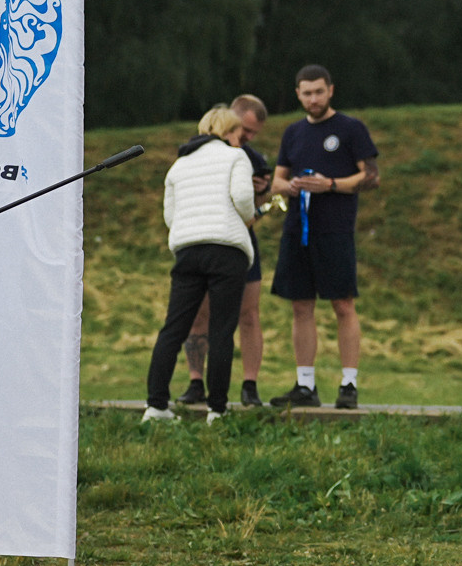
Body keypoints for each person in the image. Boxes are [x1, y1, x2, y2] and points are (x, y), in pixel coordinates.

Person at [268, 65, 378, 410]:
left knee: (343, 304)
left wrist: (330, 185)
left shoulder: (350, 128)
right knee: (301, 305)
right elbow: (277, 181)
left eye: (318, 91)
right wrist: (293, 186)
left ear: (331, 90)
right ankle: (305, 385)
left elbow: (371, 176)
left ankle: (349, 384)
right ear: (297, 94)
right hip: (297, 230)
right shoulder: (293, 133)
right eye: (306, 92)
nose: (312, 98)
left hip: (335, 229)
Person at [144, 106, 256, 422]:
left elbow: (170, 214)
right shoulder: (236, 157)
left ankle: (156, 405)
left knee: (174, 327)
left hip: (188, 250)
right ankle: (216, 409)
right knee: (221, 329)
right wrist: (248, 219)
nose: (241, 140)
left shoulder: (179, 165)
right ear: (227, 132)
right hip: (226, 249)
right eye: (238, 134)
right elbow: (243, 198)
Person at [184, 94, 275, 410]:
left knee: (249, 313)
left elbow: (257, 208)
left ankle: (250, 385)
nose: (247, 138)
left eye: (253, 134)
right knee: (199, 313)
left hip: (240, 240)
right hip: (205, 239)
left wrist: (263, 191)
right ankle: (196, 382)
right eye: (244, 130)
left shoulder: (253, 158)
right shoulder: (196, 152)